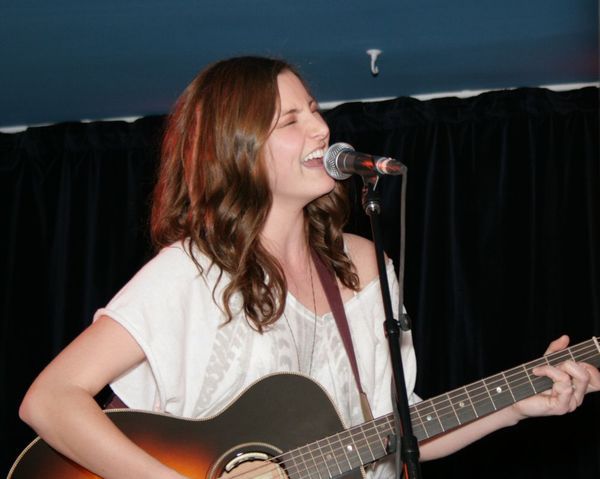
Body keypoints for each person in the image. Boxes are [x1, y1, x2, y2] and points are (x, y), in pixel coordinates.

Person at [19, 56, 600, 479]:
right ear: (237, 151)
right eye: (290, 119)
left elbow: (396, 429)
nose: (321, 128)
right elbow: (49, 400)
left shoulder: (365, 267)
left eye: (315, 110)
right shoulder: (192, 272)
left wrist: (514, 405)